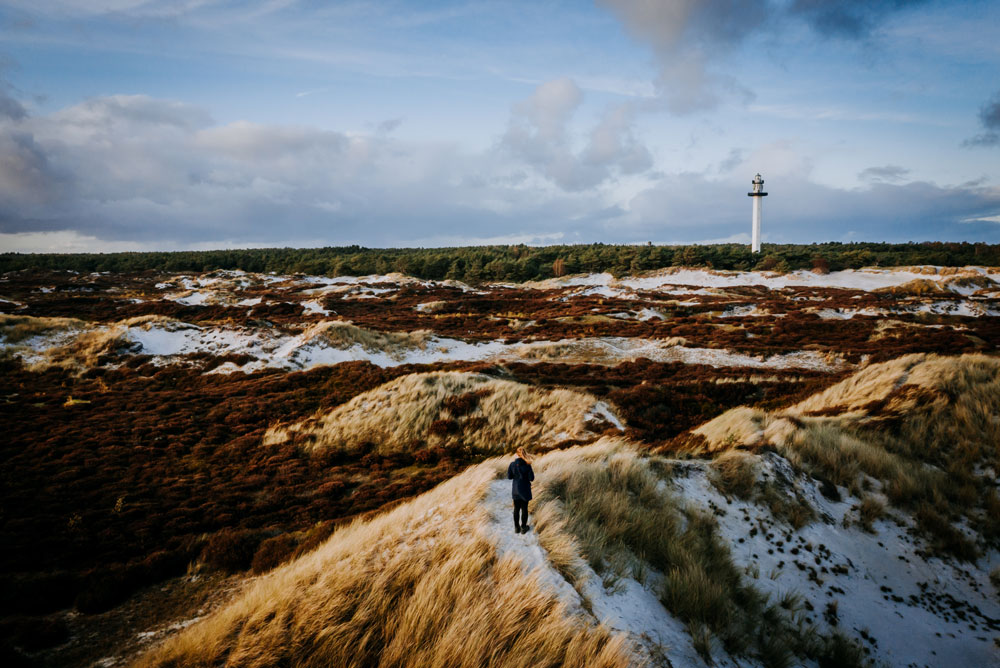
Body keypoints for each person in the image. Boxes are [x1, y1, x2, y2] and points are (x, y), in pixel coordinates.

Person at [507, 446, 534, 534]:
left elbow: (509, 477)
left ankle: (516, 528)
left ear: (516, 454)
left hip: (515, 490)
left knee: (516, 509)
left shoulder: (512, 464)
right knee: (524, 509)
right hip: (525, 489)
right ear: (525, 454)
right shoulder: (528, 465)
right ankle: (523, 527)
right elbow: (531, 478)